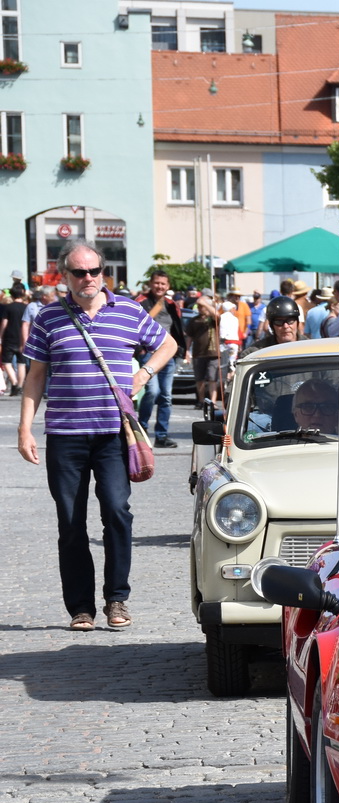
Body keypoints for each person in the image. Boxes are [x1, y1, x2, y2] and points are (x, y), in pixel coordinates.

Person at [16, 243, 177, 632]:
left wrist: (144, 374)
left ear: (103, 272)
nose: (87, 278)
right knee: (70, 522)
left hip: (113, 436)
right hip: (65, 435)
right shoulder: (48, 317)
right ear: (64, 277)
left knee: (117, 512)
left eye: (93, 270)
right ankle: (81, 608)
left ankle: (117, 598)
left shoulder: (128, 311)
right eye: (78, 272)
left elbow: (167, 344)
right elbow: (36, 376)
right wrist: (25, 428)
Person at [138, 272, 184, 448]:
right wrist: (140, 351)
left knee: (166, 396)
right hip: (149, 353)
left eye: (163, 284)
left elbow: (178, 328)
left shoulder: (172, 304)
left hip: (168, 355)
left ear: (168, 286)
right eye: (157, 283)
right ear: (151, 283)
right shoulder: (140, 301)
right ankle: (141, 431)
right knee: (152, 392)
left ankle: (161, 436)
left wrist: (181, 349)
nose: (160, 286)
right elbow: (134, 326)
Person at [185, 295, 222, 410]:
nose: (201, 308)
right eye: (199, 306)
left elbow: (217, 315)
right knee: (199, 379)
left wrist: (206, 303)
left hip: (213, 353)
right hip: (198, 353)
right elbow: (189, 337)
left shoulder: (212, 319)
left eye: (202, 306)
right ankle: (201, 401)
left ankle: (213, 402)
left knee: (212, 379)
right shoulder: (194, 320)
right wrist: (187, 350)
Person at [0, 286, 29, 396]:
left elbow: (4, 323)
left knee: (6, 362)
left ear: (11, 294)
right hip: (22, 338)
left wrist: (1, 336)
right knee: (21, 363)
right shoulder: (26, 307)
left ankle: (14, 382)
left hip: (9, 338)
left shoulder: (8, 308)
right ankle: (20, 386)